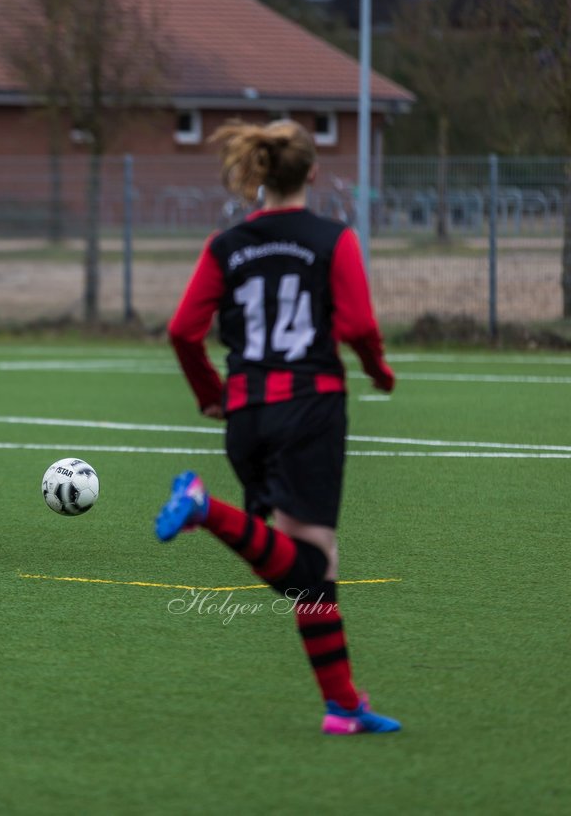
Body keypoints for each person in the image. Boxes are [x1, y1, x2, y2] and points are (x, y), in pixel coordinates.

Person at [153, 119, 400, 734]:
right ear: (313, 173)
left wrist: (213, 396)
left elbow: (184, 331)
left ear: (260, 173)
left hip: (247, 415)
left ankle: (343, 704)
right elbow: (360, 327)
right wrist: (379, 371)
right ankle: (205, 509)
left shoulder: (226, 244)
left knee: (310, 565)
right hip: (309, 412)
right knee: (311, 564)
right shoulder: (332, 238)